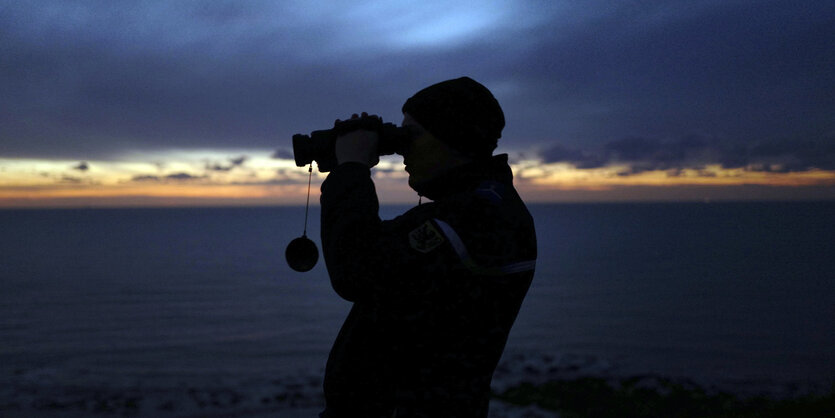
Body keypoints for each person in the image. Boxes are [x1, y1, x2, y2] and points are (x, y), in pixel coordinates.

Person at [319, 77, 537, 418]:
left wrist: (352, 169)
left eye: (413, 133)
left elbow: (354, 268)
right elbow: (382, 253)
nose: (403, 146)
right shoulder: (485, 208)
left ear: (454, 135)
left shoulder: (474, 218)